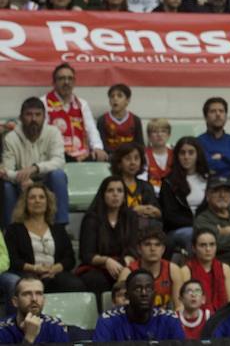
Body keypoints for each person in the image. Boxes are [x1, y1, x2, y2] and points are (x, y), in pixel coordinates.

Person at [2, 98, 70, 227]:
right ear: (21, 118)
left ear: (44, 117)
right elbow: (7, 170)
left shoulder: (53, 132)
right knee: (6, 186)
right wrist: (21, 178)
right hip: (21, 183)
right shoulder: (11, 138)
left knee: (58, 175)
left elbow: (59, 161)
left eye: (38, 115)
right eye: (29, 114)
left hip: (46, 182)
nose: (34, 119)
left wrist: (35, 168)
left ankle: (60, 227)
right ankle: (11, 231)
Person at [4, 185, 82, 294]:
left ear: (47, 202)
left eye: (41, 197)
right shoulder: (14, 230)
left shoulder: (58, 229)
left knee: (75, 284)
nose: (37, 201)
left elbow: (69, 258)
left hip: (54, 273)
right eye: (32, 197)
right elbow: (13, 260)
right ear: (25, 203)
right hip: (27, 274)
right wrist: (34, 268)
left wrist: (54, 268)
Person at [77, 176, 137, 296]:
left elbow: (134, 249)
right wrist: (106, 261)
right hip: (96, 267)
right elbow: (87, 255)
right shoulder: (91, 219)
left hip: (123, 264)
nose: (115, 194)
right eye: (110, 190)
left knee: (137, 277)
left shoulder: (130, 217)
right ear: (103, 195)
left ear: (124, 196)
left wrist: (126, 261)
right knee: (97, 280)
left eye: (119, 191)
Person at [92, 269, 184, 341]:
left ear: (155, 294)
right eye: (137, 289)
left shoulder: (169, 319)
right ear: (127, 295)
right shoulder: (108, 320)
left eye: (148, 289)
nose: (144, 293)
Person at [158, 138, 210, 253]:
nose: (186, 157)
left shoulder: (208, 179)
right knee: (193, 235)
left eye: (191, 152)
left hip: (206, 226)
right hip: (178, 230)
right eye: (182, 153)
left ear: (198, 154)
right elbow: (169, 216)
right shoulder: (168, 182)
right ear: (177, 156)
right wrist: (197, 225)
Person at [0, 277, 69, 344]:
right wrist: (29, 337)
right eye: (27, 294)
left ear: (44, 300)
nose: (34, 299)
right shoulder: (2, 328)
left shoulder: (55, 325)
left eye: (39, 293)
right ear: (15, 302)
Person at [198, 98, 230, 180]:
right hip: (209, 185)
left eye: (221, 111)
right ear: (205, 117)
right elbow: (206, 167)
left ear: (226, 116)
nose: (218, 114)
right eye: (213, 111)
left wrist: (221, 156)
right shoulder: (198, 142)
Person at [186, 229, 230, 314]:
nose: (208, 249)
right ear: (194, 248)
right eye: (203, 245)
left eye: (212, 244)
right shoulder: (186, 270)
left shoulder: (225, 269)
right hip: (197, 318)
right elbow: (184, 304)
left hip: (223, 317)